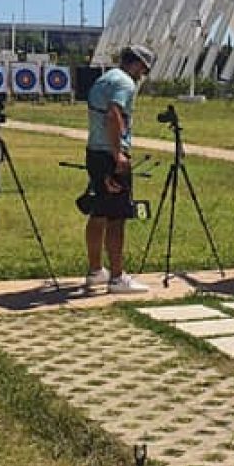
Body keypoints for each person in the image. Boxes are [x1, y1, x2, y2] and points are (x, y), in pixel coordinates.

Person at [82, 45, 155, 294]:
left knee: (99, 212)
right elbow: (114, 115)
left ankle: (95, 271)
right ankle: (116, 277)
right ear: (136, 64)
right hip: (109, 154)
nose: (142, 75)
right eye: (143, 70)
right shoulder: (125, 83)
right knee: (117, 217)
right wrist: (118, 154)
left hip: (95, 150)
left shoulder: (106, 78)